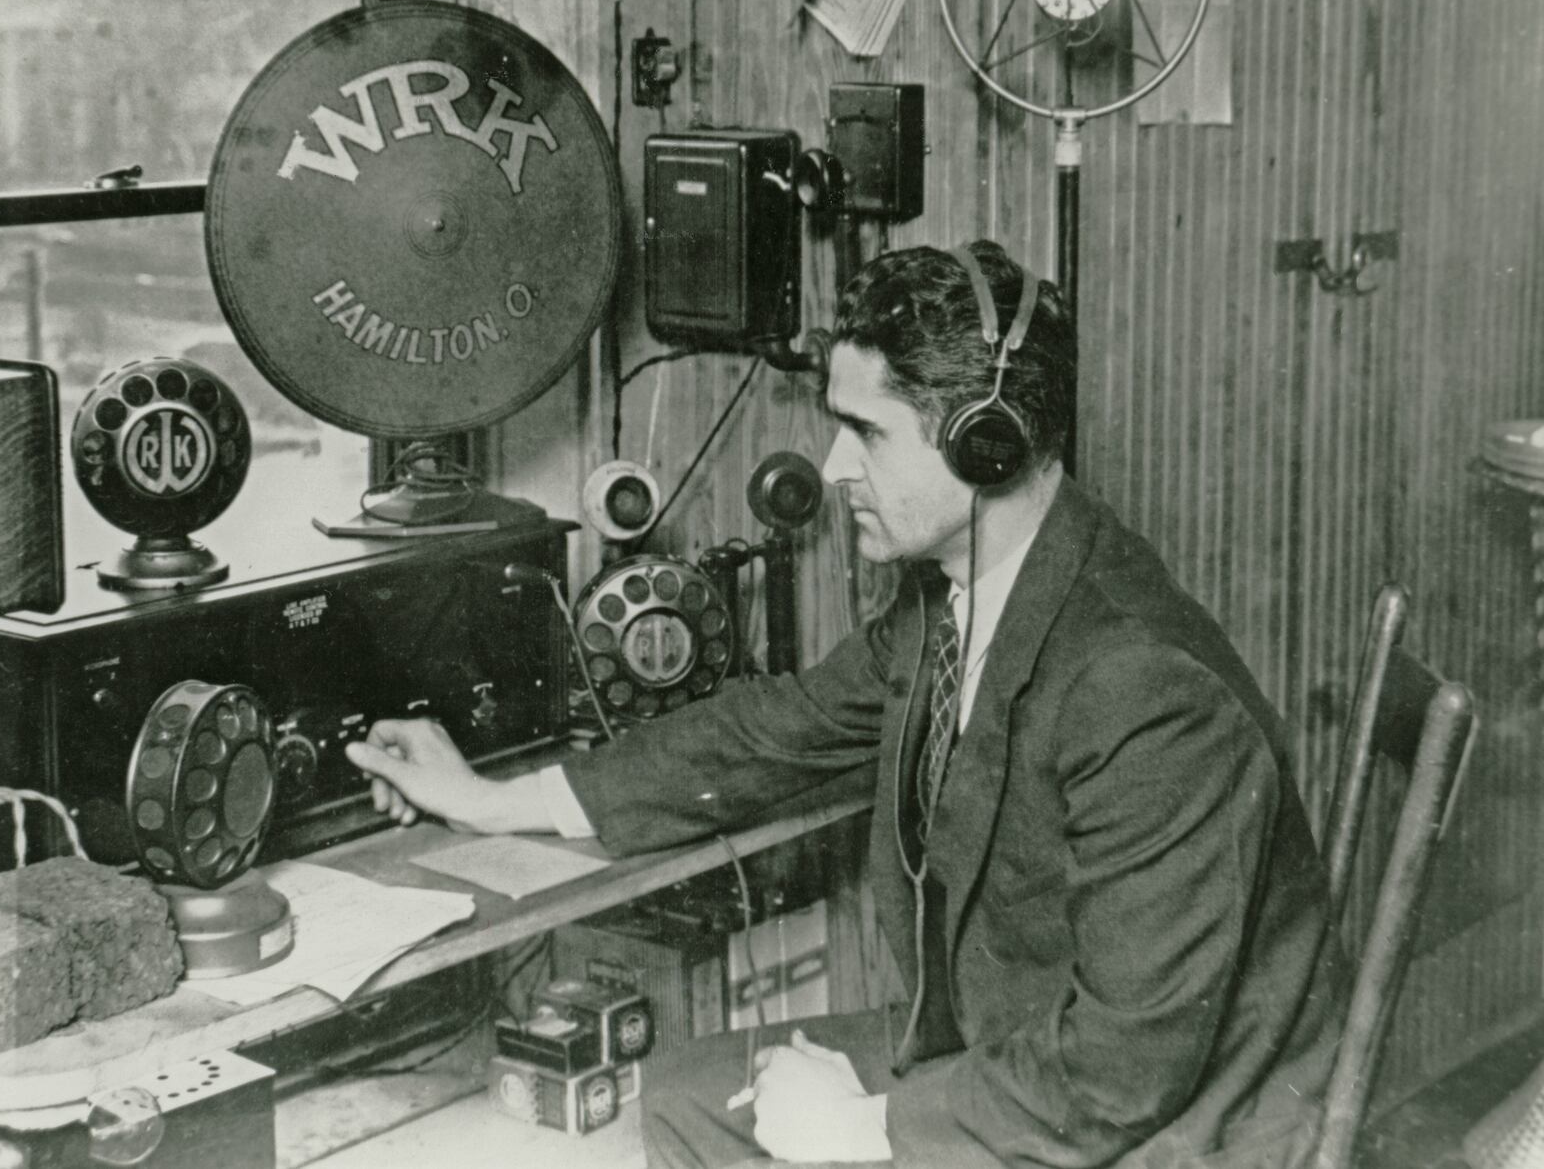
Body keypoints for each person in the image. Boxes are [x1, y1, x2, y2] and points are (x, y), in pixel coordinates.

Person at [345, 241, 1345, 1169]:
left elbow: (1121, 1072)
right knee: (682, 1097)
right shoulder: (960, 595)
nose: (831, 470)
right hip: (1023, 1047)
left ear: (984, 442)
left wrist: (865, 1125)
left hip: (1169, 1131)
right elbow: (775, 730)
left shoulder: (1143, 688)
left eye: (865, 430)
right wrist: (490, 798)